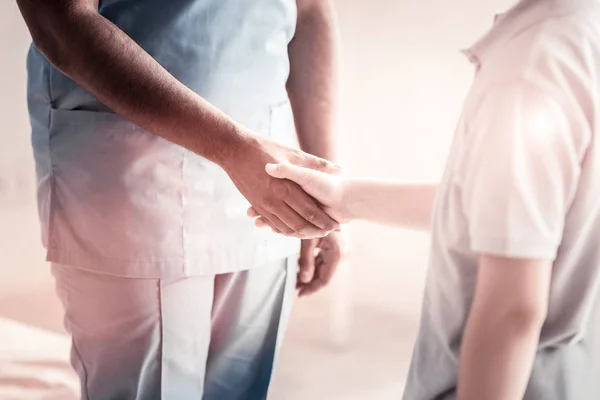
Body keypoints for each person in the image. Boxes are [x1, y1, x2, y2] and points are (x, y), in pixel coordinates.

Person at [250, 0, 600, 398]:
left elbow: (512, 310)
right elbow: (510, 210)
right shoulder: (582, 28)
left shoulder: (530, 66)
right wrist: (348, 198)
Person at [16, 0, 347, 398]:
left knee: (241, 388)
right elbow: (61, 23)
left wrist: (326, 187)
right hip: (131, 182)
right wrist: (234, 149)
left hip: (269, 176)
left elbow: (310, 10)